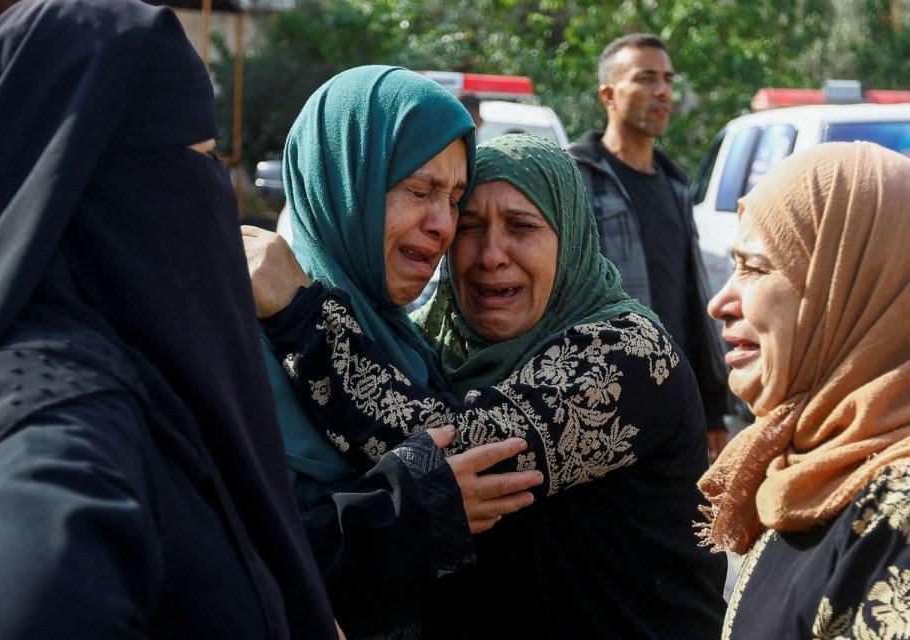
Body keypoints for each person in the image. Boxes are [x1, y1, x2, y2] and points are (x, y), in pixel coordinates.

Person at [0, 1, 336, 637]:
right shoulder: (66, 416)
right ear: (90, 175)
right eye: (202, 158)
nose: (212, 192)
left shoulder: (105, 365)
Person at [257, 134, 727, 638]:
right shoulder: (424, 345)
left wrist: (301, 316)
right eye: (471, 227)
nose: (490, 255)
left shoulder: (627, 353)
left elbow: (457, 456)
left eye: (522, 227)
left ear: (569, 240)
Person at [244, 66, 544, 638]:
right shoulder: (236, 342)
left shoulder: (403, 342)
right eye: (419, 190)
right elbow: (219, 558)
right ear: (343, 180)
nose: (443, 226)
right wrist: (400, 514)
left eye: (455, 199)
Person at [698, 142, 910, 638]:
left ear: (848, 288)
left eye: (755, 268)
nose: (720, 302)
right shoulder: (803, 462)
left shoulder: (898, 515)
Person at [567, 33, 732, 461]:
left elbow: (693, 297)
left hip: (677, 400)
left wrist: (713, 408)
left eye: (667, 79)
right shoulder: (576, 179)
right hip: (609, 395)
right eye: (645, 78)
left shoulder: (675, 184)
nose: (662, 91)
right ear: (609, 94)